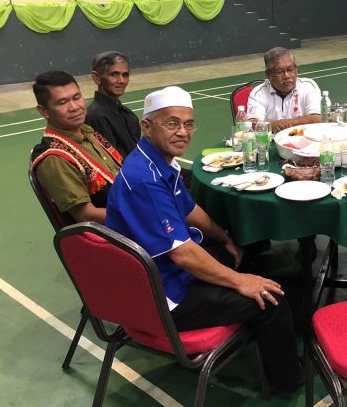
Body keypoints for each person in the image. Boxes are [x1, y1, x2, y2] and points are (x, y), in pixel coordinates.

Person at [105, 86, 304, 395]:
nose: (183, 132)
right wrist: (240, 281)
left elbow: (189, 210)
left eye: (188, 124)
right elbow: (183, 255)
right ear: (147, 126)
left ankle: (266, 340)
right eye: (172, 123)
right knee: (270, 303)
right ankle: (287, 383)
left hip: (166, 271)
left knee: (247, 250)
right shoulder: (144, 180)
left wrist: (226, 237)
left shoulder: (157, 161)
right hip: (163, 294)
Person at [30, 71, 122, 223]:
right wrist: (139, 214)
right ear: (44, 111)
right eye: (62, 102)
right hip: (117, 230)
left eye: (76, 97)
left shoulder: (87, 132)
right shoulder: (55, 159)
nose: (74, 107)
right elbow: (87, 216)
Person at [247, 47, 321, 132]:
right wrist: (270, 125)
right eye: (279, 72)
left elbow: (316, 119)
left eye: (290, 69)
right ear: (268, 74)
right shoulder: (259, 93)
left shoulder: (308, 86)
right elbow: (252, 124)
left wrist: (280, 124)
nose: (287, 76)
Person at [85, 51, 141, 158]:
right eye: (114, 74)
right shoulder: (96, 116)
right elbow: (112, 161)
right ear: (97, 77)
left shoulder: (128, 114)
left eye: (125, 75)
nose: (121, 81)